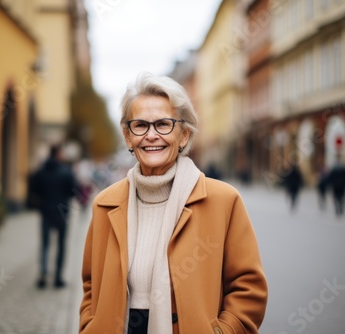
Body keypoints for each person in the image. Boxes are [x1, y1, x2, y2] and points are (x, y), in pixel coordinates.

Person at [79, 73, 267, 333]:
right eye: (140, 125)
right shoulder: (105, 204)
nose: (151, 135)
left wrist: (223, 331)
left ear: (183, 135)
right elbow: (91, 285)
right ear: (127, 136)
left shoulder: (223, 201)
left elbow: (248, 287)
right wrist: (90, 325)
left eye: (163, 124)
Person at [30, 144, 78, 288]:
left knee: (45, 244)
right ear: (58, 154)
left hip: (45, 211)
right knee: (61, 245)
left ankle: (43, 274)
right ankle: (58, 278)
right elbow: (73, 191)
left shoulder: (40, 171)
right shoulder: (66, 171)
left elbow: (34, 189)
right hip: (62, 212)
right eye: (62, 152)